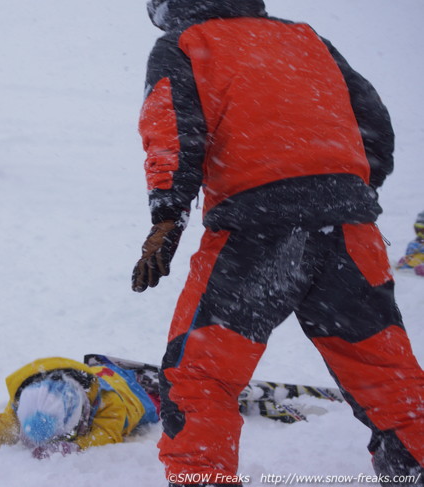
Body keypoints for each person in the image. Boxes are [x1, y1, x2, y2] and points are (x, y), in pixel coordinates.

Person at [131, 1, 424, 486]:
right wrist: (341, 190)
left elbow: (173, 130)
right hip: (350, 231)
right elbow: (373, 123)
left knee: (202, 377)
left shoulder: (184, 44)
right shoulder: (307, 39)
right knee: (384, 370)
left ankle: (203, 478)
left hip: (255, 231)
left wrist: (167, 215)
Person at [0, 357, 159, 458]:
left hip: (130, 393)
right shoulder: (28, 399)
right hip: (97, 374)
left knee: (151, 405)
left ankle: (145, 381)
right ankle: (110, 368)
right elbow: (5, 423)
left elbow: (107, 434)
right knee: (103, 372)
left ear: (79, 416)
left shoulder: (110, 404)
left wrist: (73, 447)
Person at [396, 211, 424, 276]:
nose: (420, 234)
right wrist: (407, 259)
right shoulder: (414, 244)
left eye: (422, 231)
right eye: (417, 230)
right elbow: (412, 255)